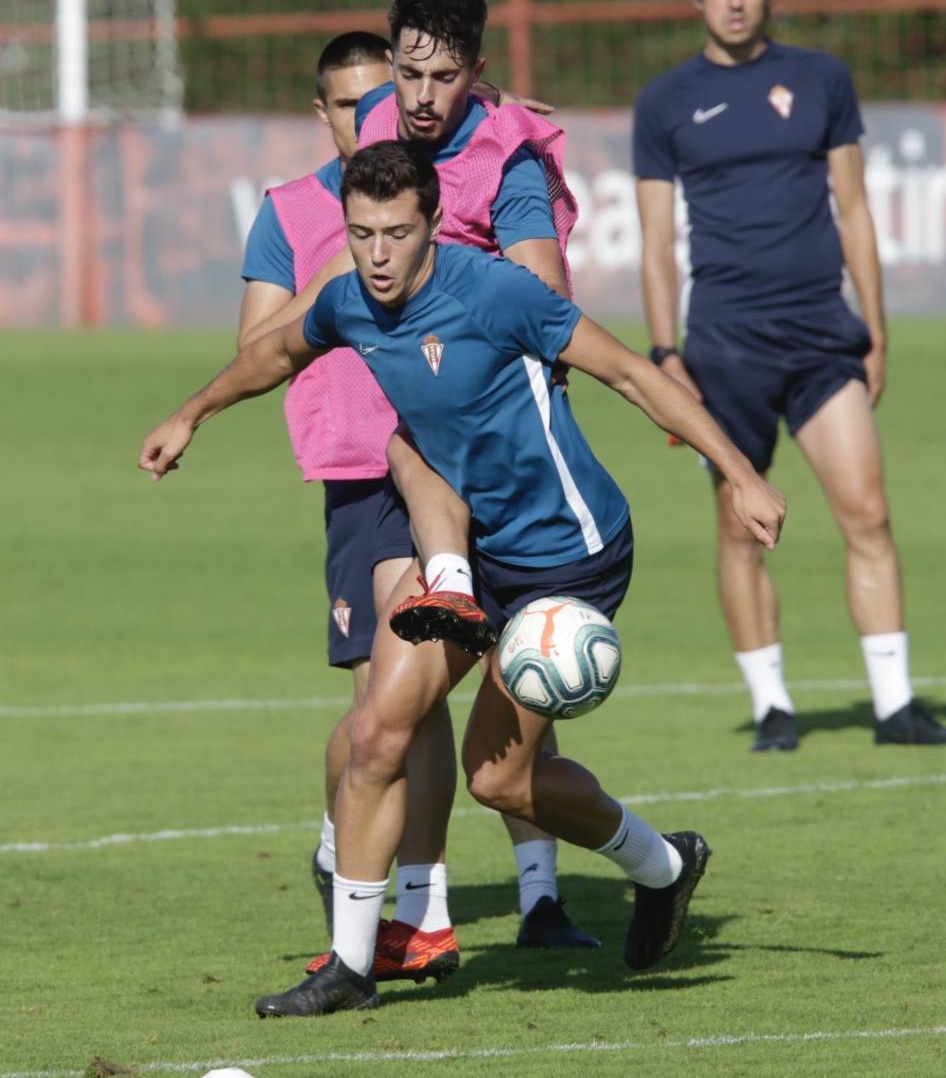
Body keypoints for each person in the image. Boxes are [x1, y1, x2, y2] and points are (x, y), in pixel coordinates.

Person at [138, 141, 787, 1016]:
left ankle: (664, 866)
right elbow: (276, 352)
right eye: (361, 233)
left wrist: (741, 473)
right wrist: (191, 413)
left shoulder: (498, 292)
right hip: (477, 555)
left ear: (433, 224)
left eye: (395, 233)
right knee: (378, 733)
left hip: (571, 554)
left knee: (500, 783)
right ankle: (353, 965)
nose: (375, 254)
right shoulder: (350, 303)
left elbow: (631, 372)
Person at [247, 0, 600, 951]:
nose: (415, 96)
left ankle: (502, 898)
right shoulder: (328, 182)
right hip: (372, 459)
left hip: (486, 458)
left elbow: (542, 292)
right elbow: (300, 316)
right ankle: (414, 899)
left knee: (477, 679)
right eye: (406, 74)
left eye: (443, 76)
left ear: (473, 78)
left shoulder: (503, 160)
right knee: (394, 702)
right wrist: (227, 385)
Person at [633, 0, 946, 751]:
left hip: (820, 337)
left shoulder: (820, 79)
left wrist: (874, 327)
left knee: (868, 511)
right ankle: (773, 704)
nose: (736, 1)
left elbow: (854, 208)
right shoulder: (664, 102)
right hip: (723, 347)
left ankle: (892, 704)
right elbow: (657, 242)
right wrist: (667, 353)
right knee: (741, 527)